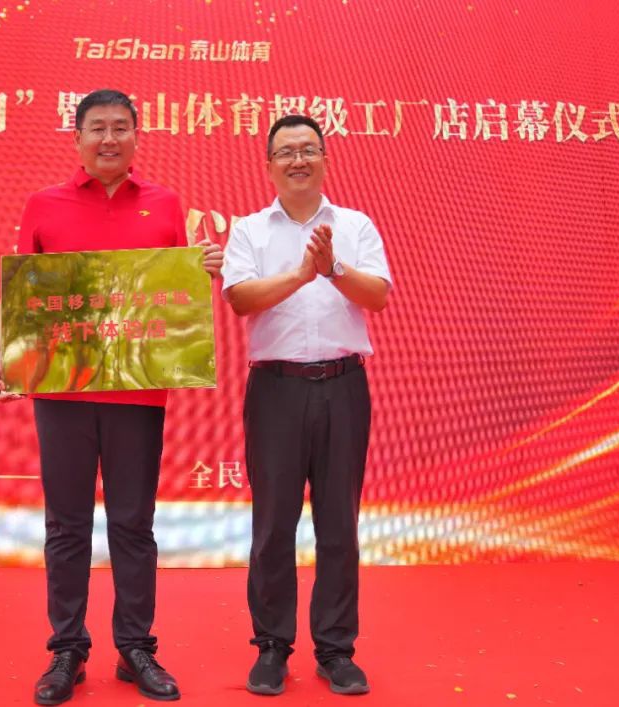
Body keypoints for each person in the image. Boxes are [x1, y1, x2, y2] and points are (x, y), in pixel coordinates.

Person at [0, 88, 223, 705]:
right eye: (98, 128)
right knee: (66, 523)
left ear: (137, 137)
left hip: (138, 391)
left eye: (121, 127)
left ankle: (136, 646)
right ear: (77, 138)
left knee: (132, 523)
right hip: (63, 389)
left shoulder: (165, 204)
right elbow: (21, 292)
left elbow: (174, 297)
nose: (109, 138)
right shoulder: (44, 204)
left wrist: (202, 270)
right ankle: (67, 648)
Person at [220, 114, 392, 696]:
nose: (299, 160)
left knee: (339, 523)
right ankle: (272, 646)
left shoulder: (355, 225)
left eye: (309, 150)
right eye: (286, 152)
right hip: (276, 389)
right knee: (273, 525)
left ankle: (336, 649)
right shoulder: (250, 230)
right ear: (268, 165)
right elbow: (241, 299)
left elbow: (379, 295)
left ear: (325, 159)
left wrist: (333, 268)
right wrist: (301, 274)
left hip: (344, 386)